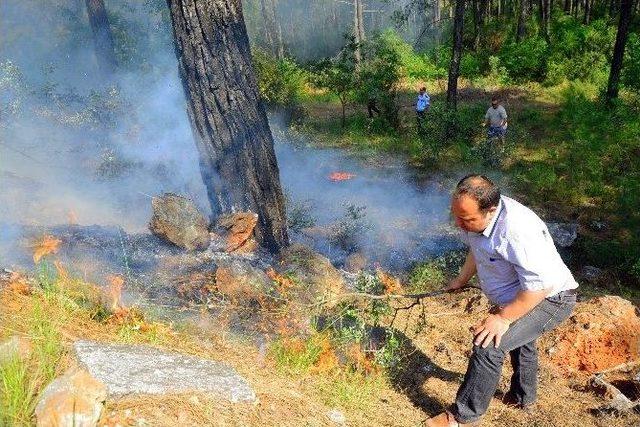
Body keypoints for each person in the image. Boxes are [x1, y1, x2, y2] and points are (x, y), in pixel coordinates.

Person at [426, 174, 578, 427]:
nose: (459, 224)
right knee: (522, 342)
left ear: (491, 210)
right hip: (523, 294)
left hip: (552, 298)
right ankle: (522, 398)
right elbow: (477, 248)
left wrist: (502, 318)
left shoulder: (517, 232)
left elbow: (540, 286)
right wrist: (461, 279)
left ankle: (462, 417)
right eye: (457, 216)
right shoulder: (477, 218)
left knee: (488, 345)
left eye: (467, 219)